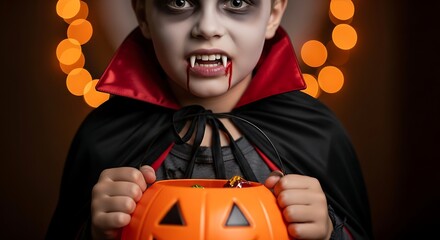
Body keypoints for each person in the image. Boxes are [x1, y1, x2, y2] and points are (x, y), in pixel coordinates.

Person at [46, 0, 373, 239]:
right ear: (143, 14)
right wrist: (93, 231)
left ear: (273, 14)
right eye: (179, 2)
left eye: (236, 2)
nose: (207, 28)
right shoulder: (105, 137)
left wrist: (331, 231)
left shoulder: (315, 134)